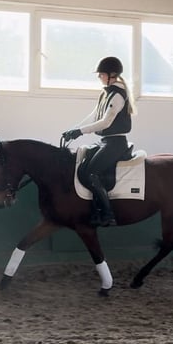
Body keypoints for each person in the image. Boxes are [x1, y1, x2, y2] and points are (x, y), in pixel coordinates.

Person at [62, 56, 136, 227]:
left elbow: (105, 122)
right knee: (82, 168)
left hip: (115, 143)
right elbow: (94, 116)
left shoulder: (117, 95)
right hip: (104, 141)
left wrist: (79, 132)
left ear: (112, 74)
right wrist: (73, 129)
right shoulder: (106, 93)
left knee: (91, 173)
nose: (99, 77)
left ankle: (108, 214)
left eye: (101, 74)